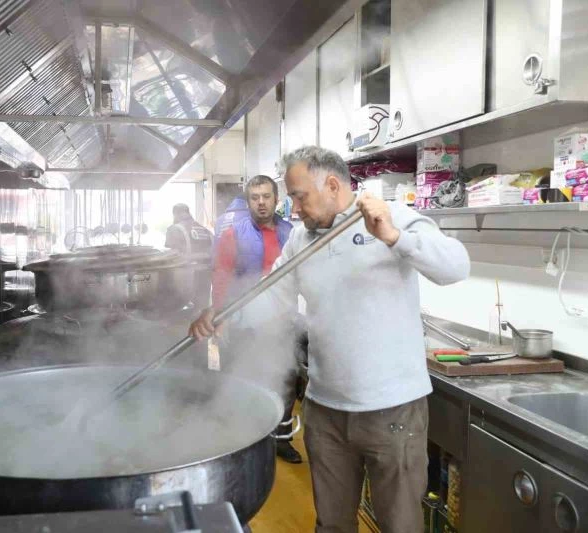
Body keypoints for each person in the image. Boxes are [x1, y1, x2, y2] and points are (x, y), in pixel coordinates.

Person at [189, 146, 470, 533]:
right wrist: (222, 317)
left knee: (400, 525)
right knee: (332, 524)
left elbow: (456, 266)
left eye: (299, 196)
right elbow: (272, 297)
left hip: (391, 410)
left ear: (333, 185)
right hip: (326, 411)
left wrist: (392, 236)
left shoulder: (393, 219)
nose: (295, 208)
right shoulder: (301, 241)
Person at [210, 175, 304, 464]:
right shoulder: (233, 234)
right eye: (255, 197)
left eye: (266, 196)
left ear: (277, 199)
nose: (261, 202)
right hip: (243, 322)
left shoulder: (291, 232)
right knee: (241, 378)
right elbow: (221, 275)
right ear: (248, 200)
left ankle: (281, 440)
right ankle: (241, 441)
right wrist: (219, 318)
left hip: (281, 321)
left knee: (286, 382)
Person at [165, 203, 213, 308]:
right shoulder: (205, 230)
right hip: (206, 275)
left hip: (185, 276)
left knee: (183, 312)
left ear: (175, 214)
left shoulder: (174, 229)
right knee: (202, 309)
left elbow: (172, 255)